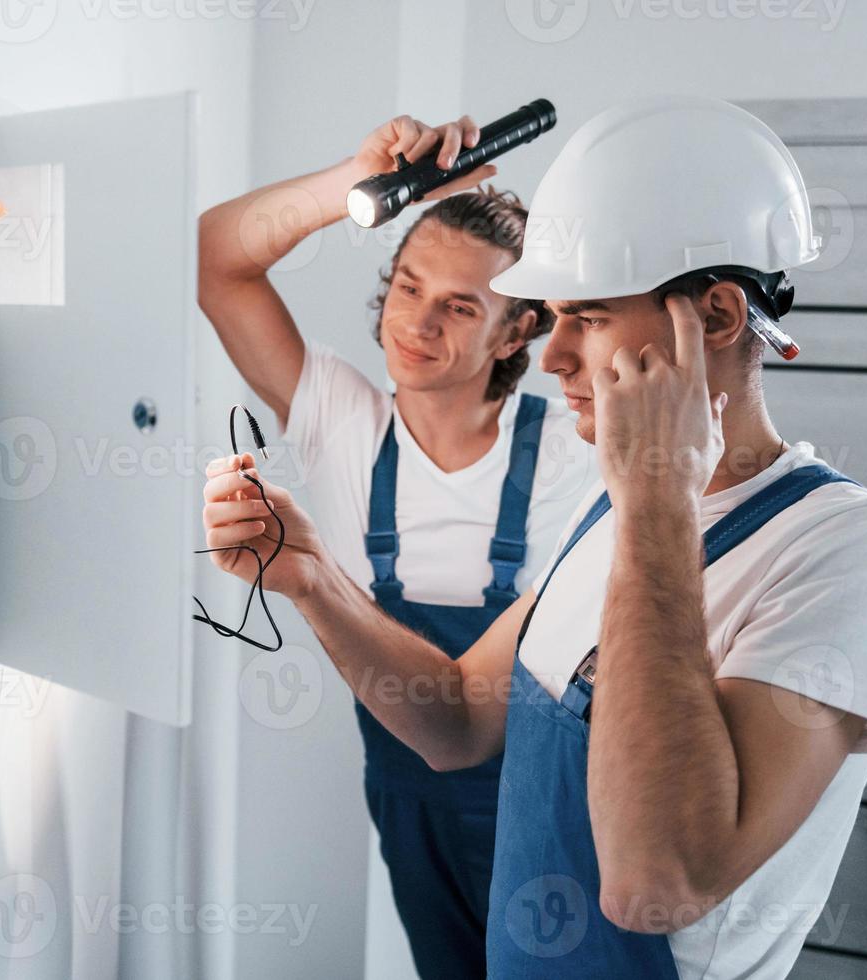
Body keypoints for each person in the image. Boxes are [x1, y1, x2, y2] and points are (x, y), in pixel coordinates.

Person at [199, 96, 867, 978]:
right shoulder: (615, 516)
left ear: (716, 318)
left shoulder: (854, 553)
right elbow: (462, 724)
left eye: (584, 318)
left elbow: (655, 884)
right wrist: (309, 573)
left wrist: (659, 499)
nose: (551, 359)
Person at [196, 115, 597, 977]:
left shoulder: (575, 456)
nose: (419, 322)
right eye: (410, 286)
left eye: (461, 306)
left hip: (547, 810)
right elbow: (215, 260)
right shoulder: (340, 420)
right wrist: (359, 173)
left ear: (517, 330)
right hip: (403, 800)